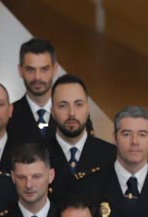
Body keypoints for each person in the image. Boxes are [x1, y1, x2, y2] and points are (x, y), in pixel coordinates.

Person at [46, 75, 117, 204]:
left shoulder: (112, 155)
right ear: (52, 112)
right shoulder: (39, 154)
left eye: (78, 104)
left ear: (88, 108)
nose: (71, 113)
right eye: (63, 105)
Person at [6, 37, 58, 144]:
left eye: (44, 69)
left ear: (55, 69)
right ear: (20, 71)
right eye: (30, 70)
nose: (37, 77)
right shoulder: (7, 116)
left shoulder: (71, 113)